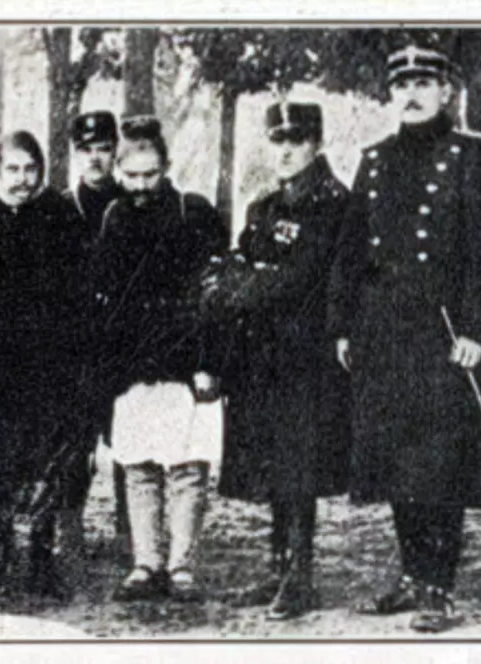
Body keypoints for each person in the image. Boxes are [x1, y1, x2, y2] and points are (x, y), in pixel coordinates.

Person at [328, 44, 481, 633]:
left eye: (424, 83)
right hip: (384, 331)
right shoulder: (375, 161)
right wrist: (341, 325)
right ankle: (411, 575)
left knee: (442, 459)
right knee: (395, 457)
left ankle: (439, 584)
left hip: (446, 331)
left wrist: (479, 332)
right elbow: (349, 253)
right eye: (401, 84)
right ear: (391, 95)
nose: (411, 94)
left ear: (447, 92)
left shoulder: (471, 158)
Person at [202, 102, 351, 619]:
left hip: (306, 357)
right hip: (262, 355)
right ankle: (276, 568)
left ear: (317, 143)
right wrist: (238, 280)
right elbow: (239, 261)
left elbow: (300, 278)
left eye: (298, 139)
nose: (285, 150)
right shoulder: (264, 206)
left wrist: (242, 285)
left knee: (299, 466)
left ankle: (300, 577)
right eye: (278, 140)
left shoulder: (333, 204)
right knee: (272, 462)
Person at [87, 116, 227, 602]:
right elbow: (105, 299)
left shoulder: (194, 215)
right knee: (140, 467)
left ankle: (181, 565)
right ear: (120, 172)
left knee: (187, 468)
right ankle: (145, 563)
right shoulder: (114, 220)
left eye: (151, 175)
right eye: (132, 176)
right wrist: (111, 370)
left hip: (186, 362)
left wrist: (209, 362)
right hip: (134, 365)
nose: (142, 186)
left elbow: (214, 298)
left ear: (166, 168)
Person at [0, 131, 90, 606]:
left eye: (31, 169)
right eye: (13, 169)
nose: (22, 180)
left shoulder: (61, 215)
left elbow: (77, 289)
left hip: (46, 365)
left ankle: (41, 558)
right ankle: (0, 549)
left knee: (44, 459)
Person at [61, 110, 126, 554]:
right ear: (75, 154)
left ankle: (128, 529)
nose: (95, 158)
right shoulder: (62, 207)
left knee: (126, 436)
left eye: (103, 148)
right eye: (86, 150)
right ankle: (70, 525)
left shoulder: (132, 201)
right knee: (74, 439)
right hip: (77, 343)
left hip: (122, 340)